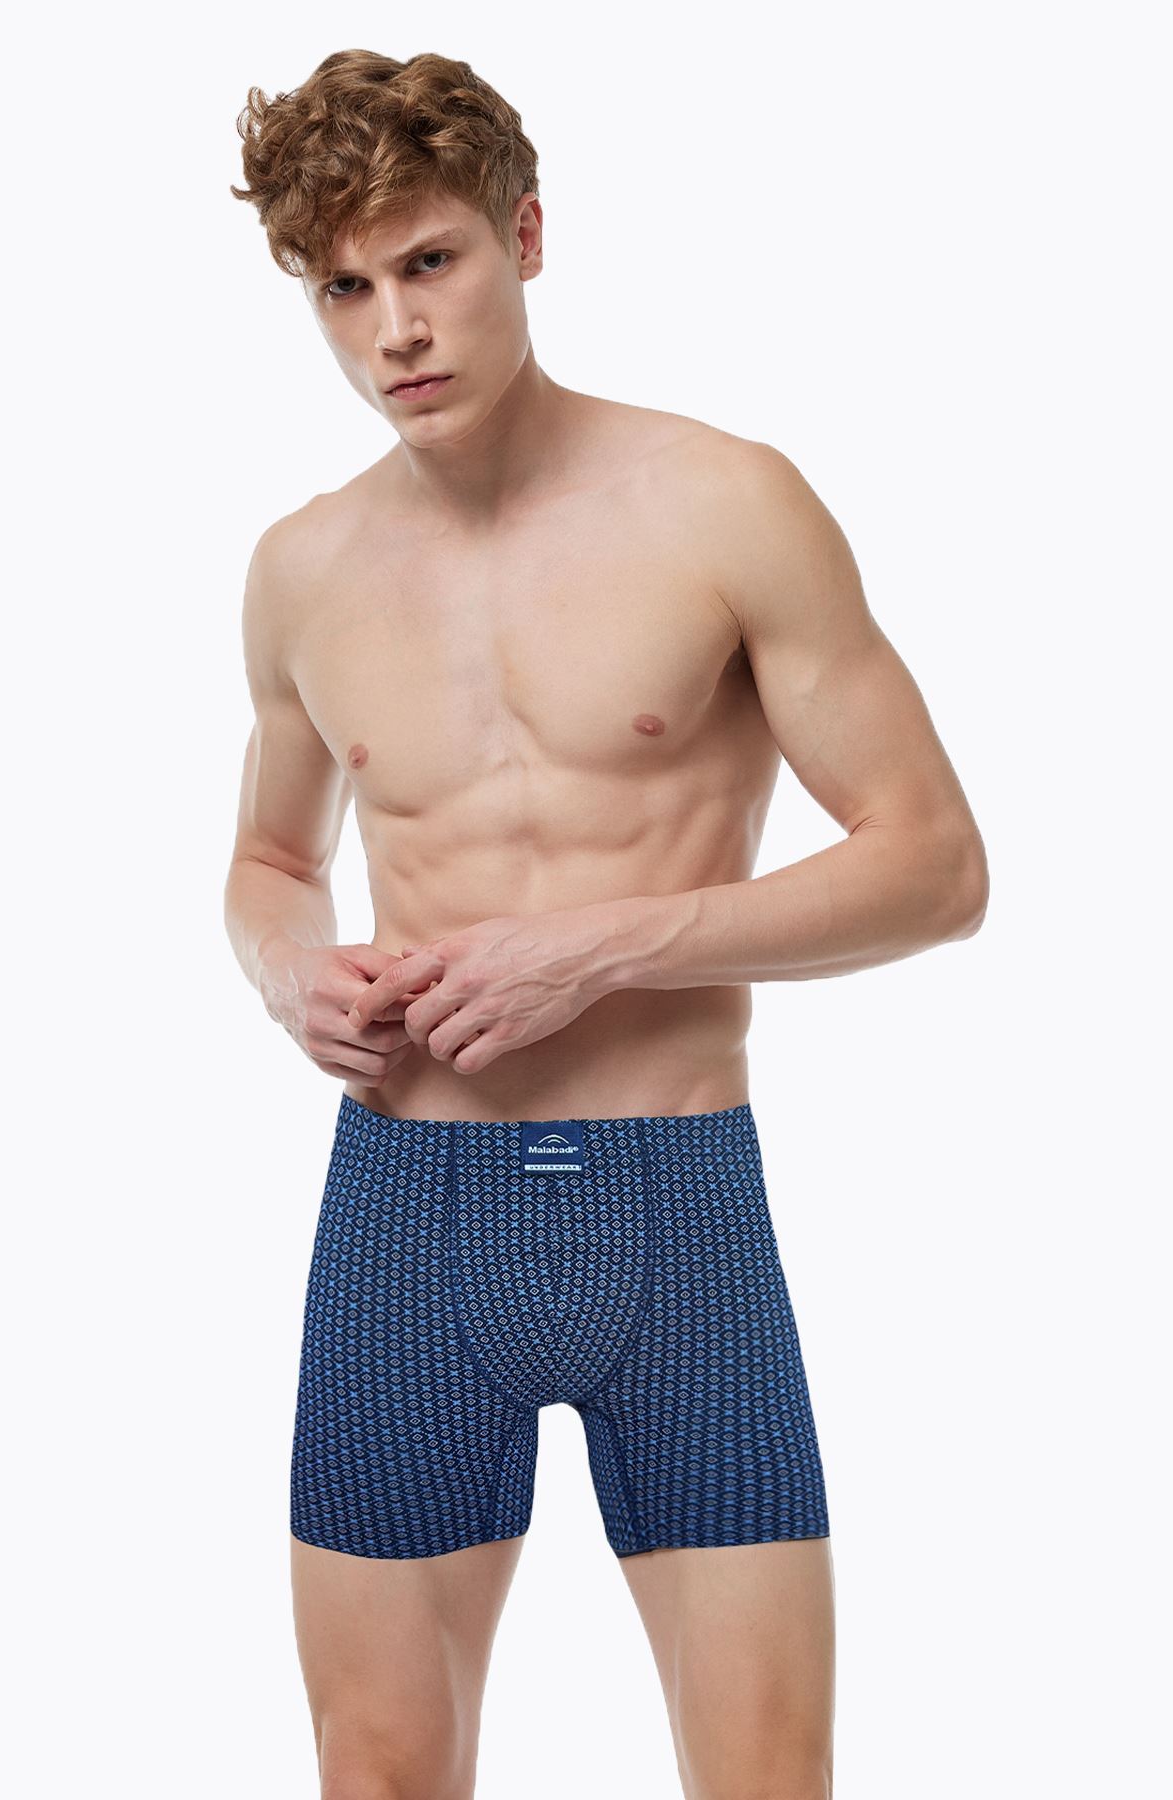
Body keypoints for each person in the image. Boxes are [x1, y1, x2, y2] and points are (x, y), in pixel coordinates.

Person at [224, 47, 988, 1800]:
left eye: (430, 261)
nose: (395, 330)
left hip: (680, 1212)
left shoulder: (726, 504)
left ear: (526, 237)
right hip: (406, 1215)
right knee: (378, 1776)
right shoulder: (301, 570)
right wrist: (287, 971)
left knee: (765, 1778)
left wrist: (604, 944)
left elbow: (938, 866)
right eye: (344, 288)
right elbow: (269, 856)